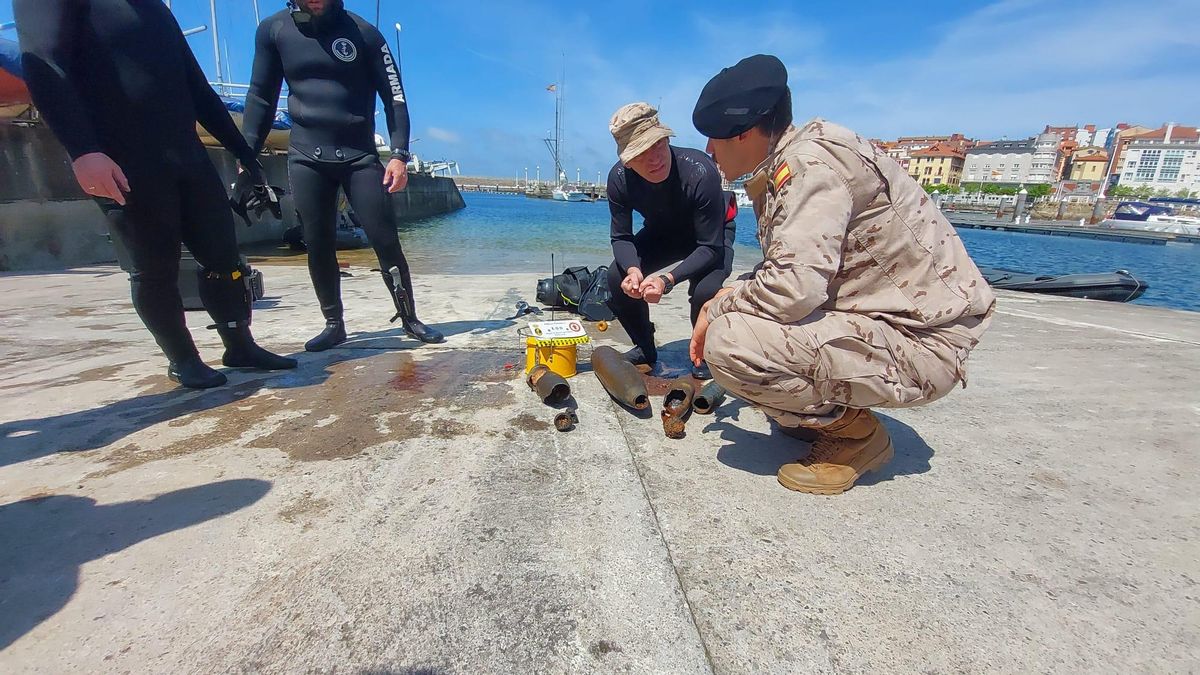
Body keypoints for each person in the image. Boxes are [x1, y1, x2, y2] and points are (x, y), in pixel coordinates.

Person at [690, 55, 995, 494]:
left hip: (923, 345)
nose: (709, 152)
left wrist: (718, 305)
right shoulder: (798, 158)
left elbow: (792, 289)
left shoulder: (810, 168)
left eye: (714, 139)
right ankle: (825, 411)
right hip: (897, 328)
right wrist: (727, 295)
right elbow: (789, 267)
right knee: (734, 308)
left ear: (743, 132)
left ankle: (856, 438)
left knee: (733, 343)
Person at [14, 0, 297, 389]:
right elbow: (42, 62)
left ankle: (240, 346)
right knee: (153, 266)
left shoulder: (155, 8)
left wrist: (245, 153)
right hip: (122, 158)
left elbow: (197, 87)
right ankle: (183, 359)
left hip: (186, 154)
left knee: (224, 257)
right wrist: (83, 150)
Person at [241, 0, 443, 351]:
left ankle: (409, 318)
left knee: (385, 239)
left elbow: (394, 98)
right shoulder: (274, 31)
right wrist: (247, 156)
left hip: (359, 157)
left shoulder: (364, 33)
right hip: (306, 156)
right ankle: (334, 324)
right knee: (317, 243)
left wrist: (398, 155)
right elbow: (261, 97)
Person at [605, 102, 734, 380]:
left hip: (711, 237)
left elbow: (710, 248)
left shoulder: (699, 170)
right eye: (641, 153)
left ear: (666, 138)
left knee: (704, 291)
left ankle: (703, 355)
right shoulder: (619, 179)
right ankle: (645, 347)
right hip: (663, 232)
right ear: (628, 160)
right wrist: (633, 270)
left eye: (658, 145)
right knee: (616, 278)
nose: (654, 159)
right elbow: (621, 237)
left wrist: (667, 280)